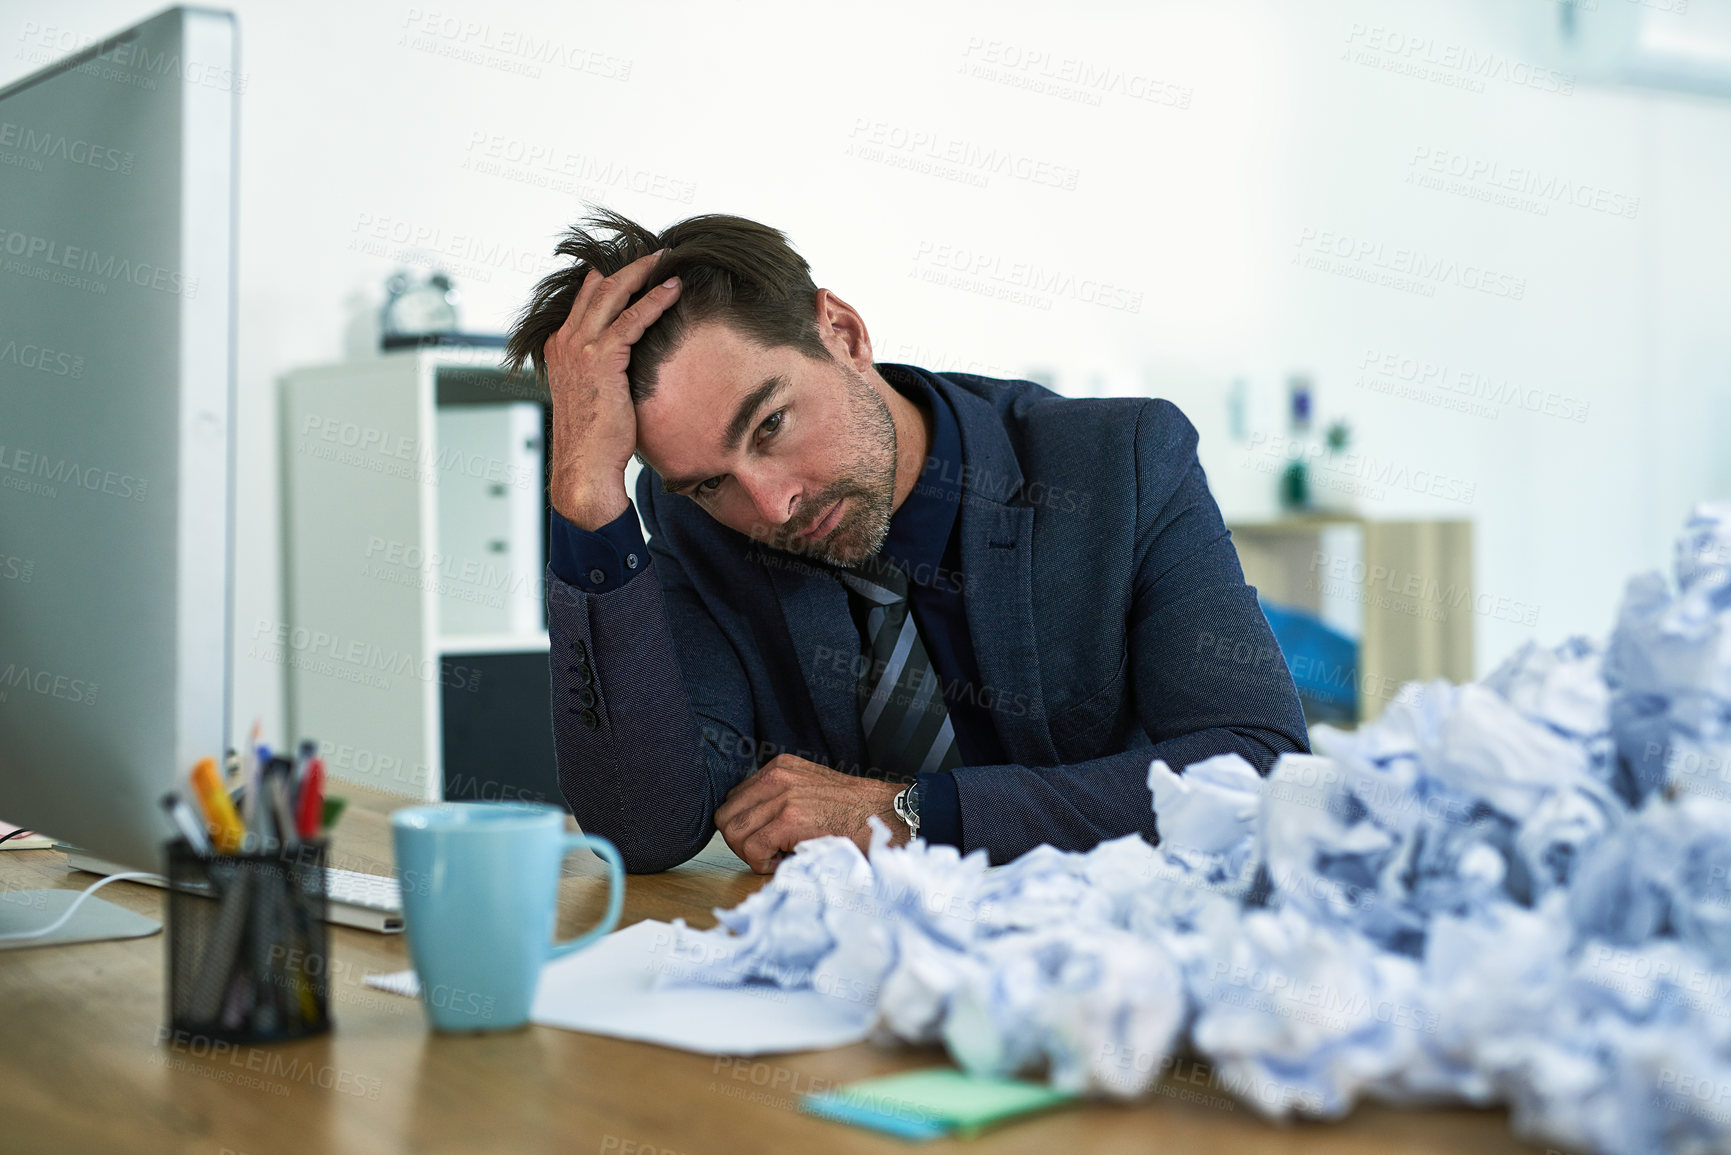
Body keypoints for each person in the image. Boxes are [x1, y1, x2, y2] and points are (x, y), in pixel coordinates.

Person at [503, 208, 1308, 874]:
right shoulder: (691, 523)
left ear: (844, 334)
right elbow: (642, 828)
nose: (771, 503)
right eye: (709, 482)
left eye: (771, 423)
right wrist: (586, 500)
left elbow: (1259, 768)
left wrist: (913, 812)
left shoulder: (1119, 463)